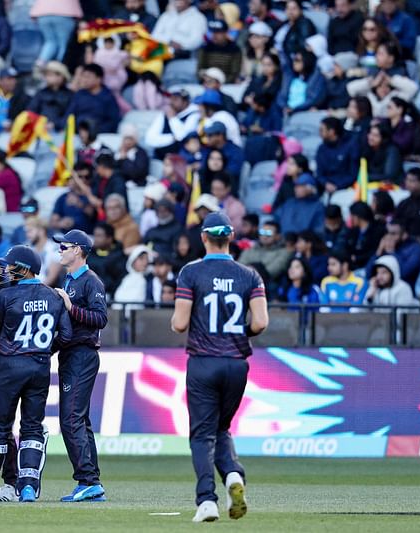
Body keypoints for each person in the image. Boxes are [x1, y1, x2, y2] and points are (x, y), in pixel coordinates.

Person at [171, 211, 267, 522]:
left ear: (203, 238)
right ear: (230, 239)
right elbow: (261, 322)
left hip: (203, 362)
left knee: (201, 435)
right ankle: (233, 476)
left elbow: (180, 323)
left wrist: (181, 320)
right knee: (221, 427)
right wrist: (241, 331)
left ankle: (206, 501)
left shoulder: (191, 272)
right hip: (237, 363)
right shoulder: (249, 275)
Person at [0, 246, 72, 502]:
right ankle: (27, 487)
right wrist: (43, 352)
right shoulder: (54, 296)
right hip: (39, 367)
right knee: (31, 427)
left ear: (24, 268)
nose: (6, 269)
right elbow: (66, 335)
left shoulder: (7, 296)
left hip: (9, 368)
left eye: (10, 265)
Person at [53, 229, 108, 502]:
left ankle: (87, 480)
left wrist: (70, 307)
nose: (59, 250)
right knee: (79, 420)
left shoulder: (90, 281)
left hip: (82, 355)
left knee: (71, 418)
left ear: (77, 250)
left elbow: (100, 319)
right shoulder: (70, 279)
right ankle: (91, 481)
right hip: (71, 354)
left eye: (63, 246)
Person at [366, 219, 420, 287]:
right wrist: (378, 252)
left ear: (404, 235)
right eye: (387, 233)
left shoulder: (416, 249)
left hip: (404, 289)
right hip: (382, 287)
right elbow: (368, 274)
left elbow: (404, 274)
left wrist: (392, 252)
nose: (389, 236)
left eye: (393, 233)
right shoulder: (386, 248)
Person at [144, 89, 201, 160]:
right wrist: (172, 138)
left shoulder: (194, 114)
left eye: (175, 99)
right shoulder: (166, 113)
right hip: (161, 157)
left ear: (185, 102)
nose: (171, 102)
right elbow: (149, 139)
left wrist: (172, 119)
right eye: (171, 99)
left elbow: (182, 136)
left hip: (184, 159)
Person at [65, 64, 120, 134]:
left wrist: (92, 132)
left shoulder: (108, 97)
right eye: (83, 76)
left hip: (98, 135)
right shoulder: (79, 94)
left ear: (99, 79)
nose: (84, 80)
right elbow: (69, 114)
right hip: (76, 133)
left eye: (88, 77)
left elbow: (112, 121)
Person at [29, 0, 82, 65]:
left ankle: (39, 65)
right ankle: (60, 66)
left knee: (50, 42)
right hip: (65, 13)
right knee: (63, 44)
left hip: (42, 13)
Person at [316, 116, 360, 193]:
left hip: (347, 188)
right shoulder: (321, 148)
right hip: (326, 187)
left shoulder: (351, 145)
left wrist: (338, 185)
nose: (319, 133)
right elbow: (319, 173)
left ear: (332, 131)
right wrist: (325, 183)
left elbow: (353, 173)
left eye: (322, 130)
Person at [27, 61, 73, 132]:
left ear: (61, 77)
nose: (46, 78)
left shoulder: (69, 95)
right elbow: (31, 111)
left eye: (50, 75)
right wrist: (38, 123)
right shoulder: (41, 93)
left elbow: (69, 115)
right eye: (46, 75)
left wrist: (55, 124)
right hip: (39, 130)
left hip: (60, 132)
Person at [277, 50, 326, 117]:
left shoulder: (315, 80)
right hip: (287, 113)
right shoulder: (292, 78)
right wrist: (285, 107)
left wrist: (295, 109)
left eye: (297, 60)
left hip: (304, 114)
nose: (294, 62)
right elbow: (282, 95)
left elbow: (312, 99)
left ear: (307, 61)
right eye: (294, 59)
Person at [87, 222, 126, 297]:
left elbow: (120, 279)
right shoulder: (90, 254)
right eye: (95, 235)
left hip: (110, 295)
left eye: (99, 236)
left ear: (109, 238)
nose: (96, 239)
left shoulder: (119, 256)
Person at [198, 19, 242, 83]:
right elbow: (200, 69)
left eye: (218, 32)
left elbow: (234, 72)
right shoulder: (205, 48)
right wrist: (207, 81)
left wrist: (220, 83)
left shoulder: (235, 49)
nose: (214, 35)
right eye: (212, 32)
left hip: (227, 85)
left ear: (226, 32)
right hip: (207, 83)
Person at [347, 201, 386, 270]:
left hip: (370, 265)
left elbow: (375, 251)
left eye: (352, 215)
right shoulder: (354, 231)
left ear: (358, 216)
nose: (350, 218)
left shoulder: (377, 230)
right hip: (353, 266)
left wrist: (357, 258)